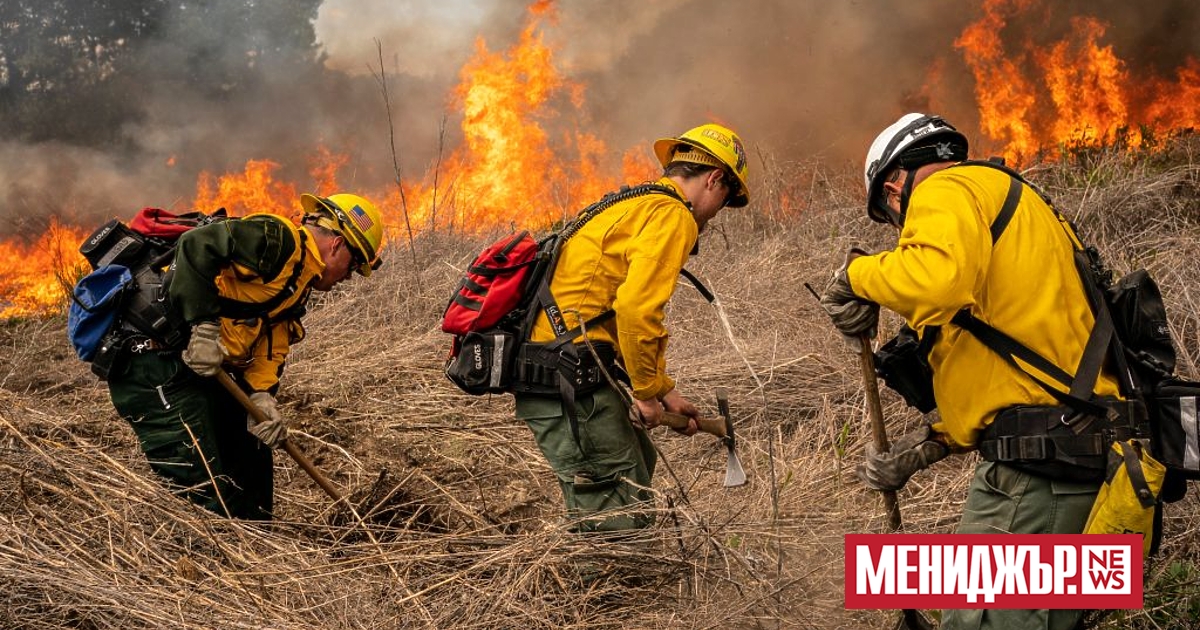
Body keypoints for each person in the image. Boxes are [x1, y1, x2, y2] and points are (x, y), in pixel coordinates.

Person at [820, 113, 1131, 630]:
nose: (902, 231)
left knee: (980, 621)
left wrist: (854, 275)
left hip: (1037, 476)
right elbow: (1016, 366)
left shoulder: (945, 189)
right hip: (1077, 456)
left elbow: (936, 282)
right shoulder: (1016, 203)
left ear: (895, 187)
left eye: (894, 219)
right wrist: (930, 444)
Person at [513, 123, 750, 533]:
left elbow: (603, 308)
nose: (717, 214)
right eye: (726, 201)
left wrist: (664, 391)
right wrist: (644, 395)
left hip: (565, 366)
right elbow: (636, 311)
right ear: (714, 179)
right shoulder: (673, 215)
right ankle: (605, 593)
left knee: (637, 462)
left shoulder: (635, 204)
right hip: (565, 376)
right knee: (617, 509)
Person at [107, 193, 385, 520]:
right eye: (354, 265)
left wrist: (262, 396)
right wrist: (205, 329)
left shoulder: (299, 280)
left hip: (200, 369)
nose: (349, 276)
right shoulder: (277, 239)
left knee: (250, 468)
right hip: (153, 364)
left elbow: (273, 339)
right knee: (204, 493)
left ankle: (256, 557)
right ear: (337, 244)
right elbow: (197, 246)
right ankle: (201, 563)